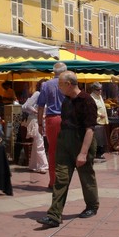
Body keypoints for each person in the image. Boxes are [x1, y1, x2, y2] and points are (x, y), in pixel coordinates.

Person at [36, 71, 100, 228]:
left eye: (60, 84)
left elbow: (90, 129)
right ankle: (54, 215)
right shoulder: (66, 100)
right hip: (65, 142)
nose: (58, 88)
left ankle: (92, 206)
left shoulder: (87, 101)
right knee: (61, 178)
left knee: (86, 176)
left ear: (69, 84)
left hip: (81, 141)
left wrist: (83, 153)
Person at [36, 62, 69, 189]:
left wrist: (40, 124)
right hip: (66, 119)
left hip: (51, 120)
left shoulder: (46, 84)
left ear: (53, 71)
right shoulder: (67, 83)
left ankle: (53, 181)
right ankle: (64, 179)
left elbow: (40, 106)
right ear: (64, 71)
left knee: (53, 150)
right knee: (65, 150)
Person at [23, 88, 48, 174]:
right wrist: (37, 112)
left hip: (40, 121)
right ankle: (43, 165)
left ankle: (33, 165)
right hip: (36, 121)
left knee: (36, 143)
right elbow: (27, 106)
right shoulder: (38, 94)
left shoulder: (46, 95)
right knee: (39, 142)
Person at [89, 82, 109, 160]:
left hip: (102, 120)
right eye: (98, 90)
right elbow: (92, 109)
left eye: (100, 89)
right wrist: (99, 114)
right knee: (98, 137)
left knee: (101, 137)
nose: (100, 91)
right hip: (97, 120)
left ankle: (100, 152)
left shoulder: (99, 96)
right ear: (94, 90)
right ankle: (98, 153)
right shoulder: (92, 97)